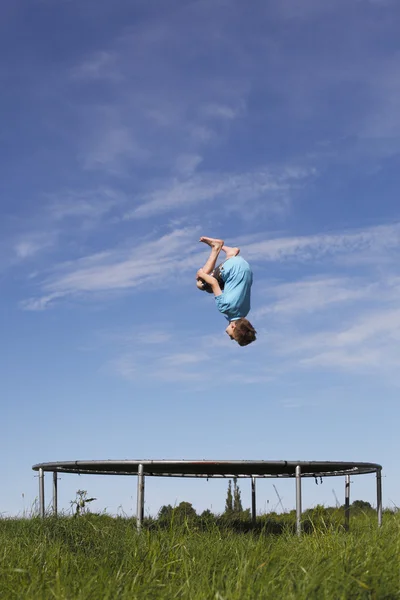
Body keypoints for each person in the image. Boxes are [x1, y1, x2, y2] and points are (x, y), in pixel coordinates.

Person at [196, 236, 256, 346]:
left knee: (210, 289)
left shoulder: (245, 312)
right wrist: (201, 274)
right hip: (233, 267)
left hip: (245, 267)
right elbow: (213, 282)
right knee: (201, 284)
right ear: (233, 327)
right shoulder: (225, 308)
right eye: (232, 337)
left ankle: (231, 253)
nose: (230, 338)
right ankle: (216, 247)